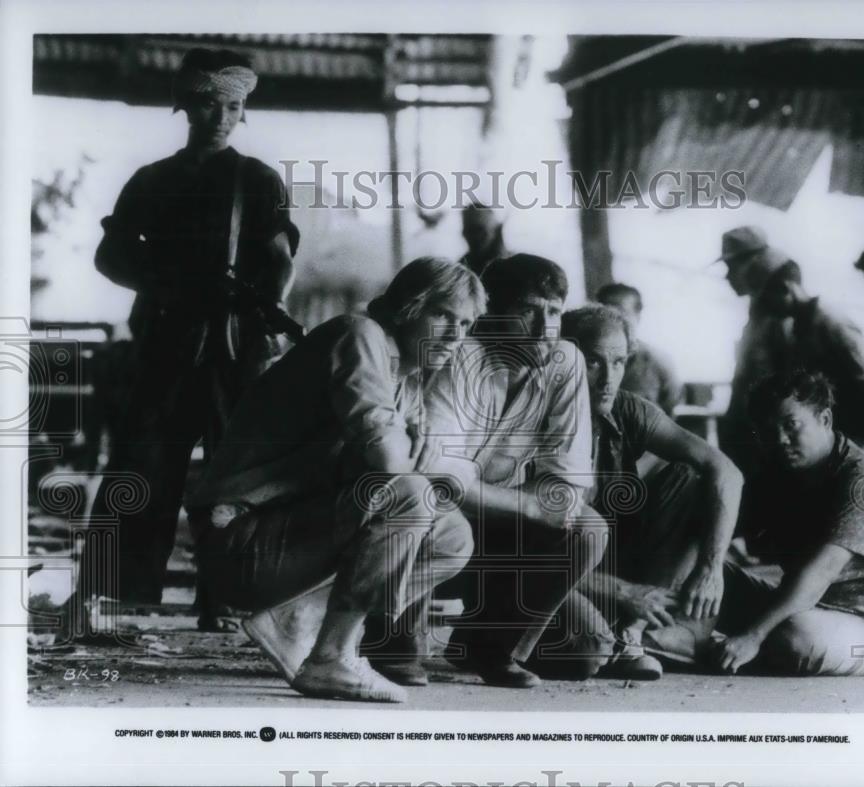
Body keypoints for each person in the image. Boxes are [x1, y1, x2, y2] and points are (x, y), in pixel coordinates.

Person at [66, 48, 300, 635]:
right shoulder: (152, 180)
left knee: (237, 475)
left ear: (243, 111)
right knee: (140, 466)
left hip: (235, 344)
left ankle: (226, 597)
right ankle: (105, 598)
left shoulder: (258, 180)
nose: (219, 116)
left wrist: (264, 310)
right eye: (206, 103)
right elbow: (110, 255)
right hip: (166, 342)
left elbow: (281, 262)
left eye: (233, 106)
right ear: (184, 106)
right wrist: (165, 283)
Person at [184, 257, 485, 702]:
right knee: (411, 496)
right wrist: (409, 454)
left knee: (452, 534)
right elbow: (391, 464)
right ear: (408, 306)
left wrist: (415, 455)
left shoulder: (408, 374)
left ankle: (299, 619)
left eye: (465, 323)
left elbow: (413, 463)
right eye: (442, 315)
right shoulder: (358, 335)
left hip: (291, 538)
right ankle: (332, 657)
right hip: (241, 541)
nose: (455, 334)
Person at [424, 254, 611, 688]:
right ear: (491, 314)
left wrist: (532, 506)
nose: (544, 328)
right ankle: (389, 630)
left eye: (554, 312)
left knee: (587, 646)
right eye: (527, 310)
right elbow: (437, 476)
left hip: (503, 531)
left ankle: (491, 648)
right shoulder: (462, 355)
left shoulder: (564, 361)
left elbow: (566, 487)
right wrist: (529, 507)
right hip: (435, 528)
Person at [560, 305, 744, 679]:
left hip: (603, 561)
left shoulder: (626, 408)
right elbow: (517, 546)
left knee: (688, 476)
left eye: (618, 362)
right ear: (564, 358)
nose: (608, 379)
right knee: (588, 653)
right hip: (549, 570)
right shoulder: (540, 416)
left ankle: (634, 633)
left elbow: (725, 470)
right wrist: (623, 592)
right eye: (593, 363)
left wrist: (711, 569)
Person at [713, 370, 864, 676]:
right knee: (703, 571)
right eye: (769, 431)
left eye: (791, 426)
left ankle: (725, 646)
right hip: (801, 606)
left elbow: (820, 573)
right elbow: (726, 527)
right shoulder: (779, 472)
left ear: (825, 419)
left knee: (795, 638)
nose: (780, 440)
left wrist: (753, 635)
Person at [746, 254, 864, 455]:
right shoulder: (797, 327)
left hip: (853, 443)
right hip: (825, 440)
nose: (765, 308)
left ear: (786, 288)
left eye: (766, 299)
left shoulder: (832, 324)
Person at [714, 226, 793, 473]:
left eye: (731, 267)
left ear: (756, 264)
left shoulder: (779, 319)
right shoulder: (757, 315)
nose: (728, 277)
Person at [595, 282, 684, 415]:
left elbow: (671, 405)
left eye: (621, 313)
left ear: (638, 316)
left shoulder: (658, 362)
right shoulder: (585, 359)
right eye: (605, 313)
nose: (613, 321)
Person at [458, 201, 507, 277]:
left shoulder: (514, 265)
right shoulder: (460, 269)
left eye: (479, 230)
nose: (474, 236)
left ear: (495, 231)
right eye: (469, 230)